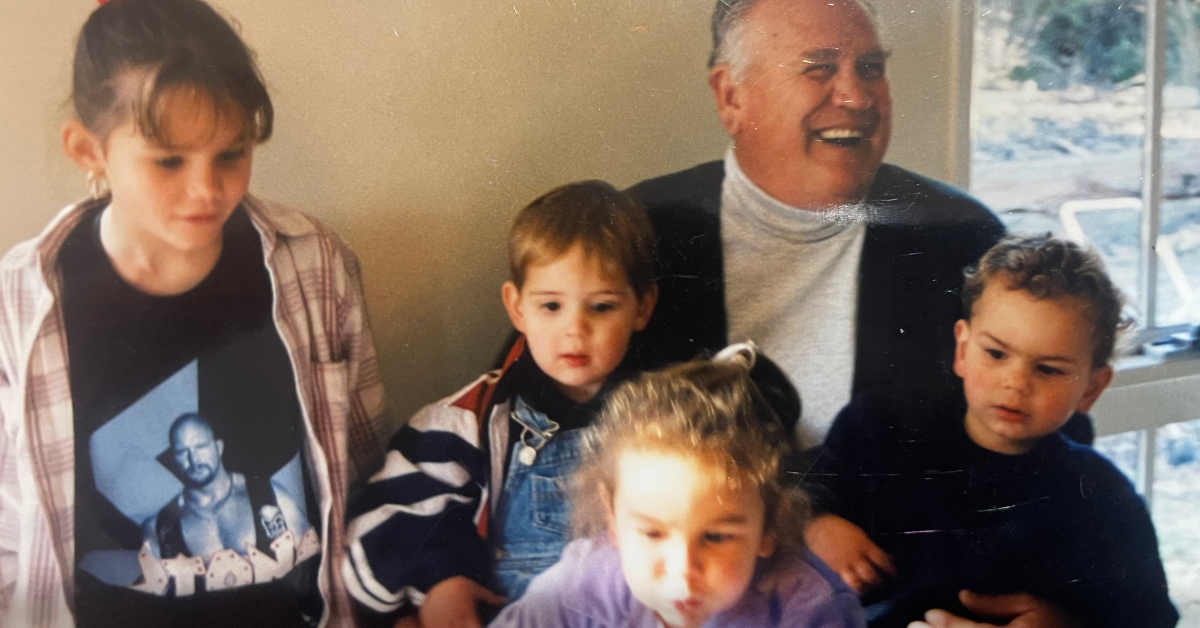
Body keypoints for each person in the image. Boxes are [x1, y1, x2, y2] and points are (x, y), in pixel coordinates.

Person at [0, 1, 391, 626]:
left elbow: (368, 464)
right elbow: (9, 540)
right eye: (168, 161)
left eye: (231, 154)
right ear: (88, 149)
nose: (206, 191)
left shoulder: (315, 263)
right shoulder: (19, 304)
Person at [626, 0, 1029, 447]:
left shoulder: (963, 237)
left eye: (871, 67)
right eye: (819, 68)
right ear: (731, 96)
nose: (857, 97)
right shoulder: (636, 233)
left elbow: (1040, 446)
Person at [803, 234, 1178, 628]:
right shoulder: (878, 428)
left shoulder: (1102, 499)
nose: (1015, 383)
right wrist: (815, 525)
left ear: (1090, 388)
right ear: (963, 350)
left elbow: (1150, 618)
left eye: (1048, 369)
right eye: (996, 354)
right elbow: (785, 495)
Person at [343, 181, 658, 627]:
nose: (576, 330)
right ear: (517, 307)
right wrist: (441, 581)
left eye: (602, 307)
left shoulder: (668, 418)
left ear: (642, 307)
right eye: (551, 306)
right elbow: (383, 519)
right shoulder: (465, 420)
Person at [489, 346, 864, 628]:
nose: (682, 572)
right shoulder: (584, 582)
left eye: (716, 537)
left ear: (768, 527)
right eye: (652, 532)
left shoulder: (808, 606)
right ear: (613, 520)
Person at [144, 413, 312, 564]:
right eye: (182, 452)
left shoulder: (271, 495)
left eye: (201, 447)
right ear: (174, 459)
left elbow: (313, 560)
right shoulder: (160, 527)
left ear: (219, 448)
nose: (193, 458)